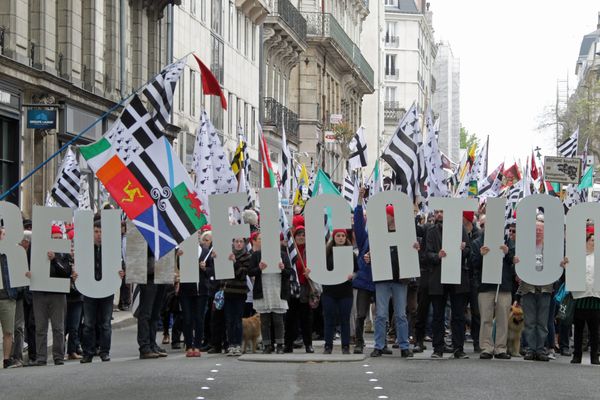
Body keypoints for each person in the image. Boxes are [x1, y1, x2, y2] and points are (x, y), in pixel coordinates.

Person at [370, 204, 419, 358]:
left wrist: (416, 247)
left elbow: (412, 250)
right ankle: (379, 345)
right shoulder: (379, 233)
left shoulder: (405, 234)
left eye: (387, 214)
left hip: (399, 278)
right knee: (381, 314)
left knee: (401, 314)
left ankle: (404, 346)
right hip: (383, 277)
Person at [425, 210, 471, 359]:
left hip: (457, 277)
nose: (439, 215)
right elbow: (427, 254)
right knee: (438, 315)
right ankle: (438, 348)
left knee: (458, 314)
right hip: (438, 278)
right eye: (438, 212)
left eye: (442, 212)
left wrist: (463, 249)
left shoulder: (460, 229)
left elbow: (468, 251)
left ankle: (459, 348)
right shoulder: (431, 231)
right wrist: (437, 256)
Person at [81, 219, 125, 363]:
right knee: (88, 324)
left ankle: (104, 352)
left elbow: (120, 265)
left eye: (101, 232)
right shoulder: (86, 249)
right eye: (96, 232)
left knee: (105, 323)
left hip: (107, 290)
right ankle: (88, 352)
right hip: (89, 290)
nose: (99, 235)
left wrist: (120, 272)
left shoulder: (111, 250)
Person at [471, 219, 515, 359]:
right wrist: (480, 255)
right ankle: (486, 347)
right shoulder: (477, 243)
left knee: (503, 318)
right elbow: (472, 264)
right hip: (485, 287)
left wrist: (508, 253)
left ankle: (501, 348)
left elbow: (515, 261)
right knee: (486, 318)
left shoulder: (507, 242)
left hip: (503, 285)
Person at [29, 225, 72, 366]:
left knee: (58, 327)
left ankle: (58, 356)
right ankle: (41, 357)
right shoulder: (38, 251)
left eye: (60, 238)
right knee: (40, 327)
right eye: (55, 238)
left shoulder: (64, 254)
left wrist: (54, 259)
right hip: (40, 293)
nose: (58, 241)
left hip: (57, 294)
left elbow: (66, 272)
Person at [515, 220, 554, 361]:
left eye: (540, 229)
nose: (538, 231)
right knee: (530, 321)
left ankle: (541, 349)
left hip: (545, 288)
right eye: (536, 229)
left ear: (545, 232)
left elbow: (556, 265)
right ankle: (531, 349)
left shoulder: (550, 248)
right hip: (528, 288)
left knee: (542, 322)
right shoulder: (525, 248)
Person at [248, 232, 292, 354]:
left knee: (278, 320)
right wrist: (259, 268)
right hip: (263, 290)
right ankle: (267, 345)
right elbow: (250, 272)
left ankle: (279, 345)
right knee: (265, 321)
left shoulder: (282, 255)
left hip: (278, 290)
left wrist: (283, 268)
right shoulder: (257, 255)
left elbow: (289, 273)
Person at [561, 228, 600, 365]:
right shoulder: (577, 256)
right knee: (578, 328)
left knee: (595, 329)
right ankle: (577, 354)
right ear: (586, 242)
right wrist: (565, 265)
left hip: (596, 296)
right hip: (580, 296)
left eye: (596, 241)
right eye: (592, 240)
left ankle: (595, 356)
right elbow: (570, 272)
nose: (594, 243)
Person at [176, 232, 214, 358]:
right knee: (187, 318)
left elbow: (211, 271)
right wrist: (178, 257)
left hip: (201, 290)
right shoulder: (183, 251)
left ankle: (197, 345)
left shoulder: (205, 251)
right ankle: (188, 345)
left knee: (199, 318)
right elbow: (179, 267)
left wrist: (205, 268)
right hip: (186, 290)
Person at [322, 229, 357, 354]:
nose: (341, 238)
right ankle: (328, 346)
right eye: (338, 235)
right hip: (329, 292)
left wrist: (353, 275)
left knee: (345, 319)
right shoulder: (327, 254)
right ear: (334, 237)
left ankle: (345, 346)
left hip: (345, 292)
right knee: (329, 319)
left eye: (343, 236)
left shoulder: (351, 254)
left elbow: (357, 270)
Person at [284, 225, 314, 353]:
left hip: (305, 288)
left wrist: (310, 272)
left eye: (303, 235)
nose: (301, 237)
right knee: (290, 318)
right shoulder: (288, 251)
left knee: (306, 318)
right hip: (292, 287)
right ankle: (288, 344)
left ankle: (308, 344)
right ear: (294, 237)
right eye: (298, 235)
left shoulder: (311, 251)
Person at [136, 245, 169, 360]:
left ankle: (152, 344)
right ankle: (144, 347)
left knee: (155, 313)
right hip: (148, 276)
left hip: (161, 274)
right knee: (146, 313)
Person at [352, 194, 375, 355]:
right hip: (365, 280)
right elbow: (358, 223)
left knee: (382, 315)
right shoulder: (364, 239)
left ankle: (381, 343)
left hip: (382, 280)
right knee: (361, 313)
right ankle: (359, 342)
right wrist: (359, 201)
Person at [223, 238, 251, 356]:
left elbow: (242, 274)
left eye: (241, 241)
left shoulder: (247, 256)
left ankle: (238, 345)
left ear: (244, 243)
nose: (238, 244)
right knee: (229, 320)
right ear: (232, 243)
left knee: (238, 319)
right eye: (236, 241)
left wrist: (235, 262)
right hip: (228, 290)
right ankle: (231, 344)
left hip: (239, 292)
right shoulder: (227, 253)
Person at [0, 226, 19, 369]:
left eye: (4, 234)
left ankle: (6, 359)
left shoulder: (10, 254)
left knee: (8, 331)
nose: (2, 236)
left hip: (7, 296)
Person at [65, 229, 83, 360]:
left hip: (77, 297)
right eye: (70, 245)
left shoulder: (82, 261)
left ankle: (72, 350)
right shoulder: (63, 259)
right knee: (63, 326)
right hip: (65, 296)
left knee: (74, 326)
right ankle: (61, 350)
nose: (72, 248)